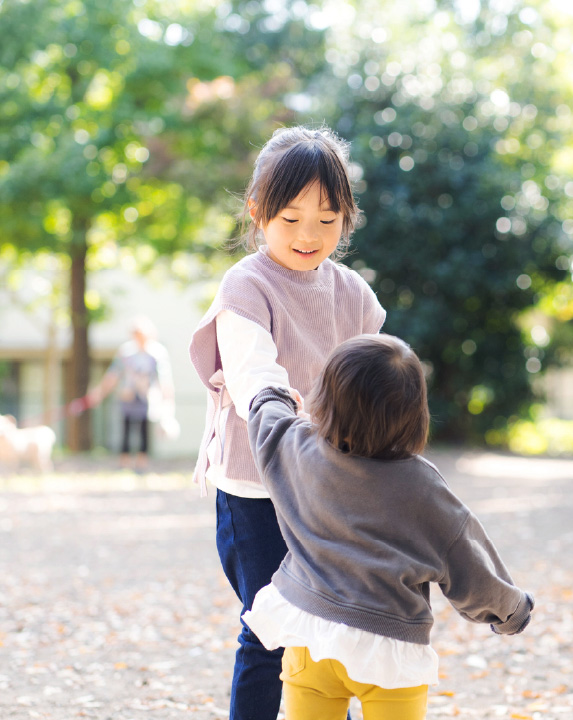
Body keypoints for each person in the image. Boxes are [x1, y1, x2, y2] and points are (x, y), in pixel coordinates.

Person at [188, 125, 386, 720]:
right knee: (268, 625)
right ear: (258, 211)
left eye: (328, 221)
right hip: (258, 485)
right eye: (292, 218)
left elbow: (373, 381)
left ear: (346, 220)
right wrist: (295, 430)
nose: (309, 235)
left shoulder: (352, 292)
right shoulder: (247, 285)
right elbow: (255, 379)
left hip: (333, 485)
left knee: (334, 624)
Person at [242, 334, 533, 720]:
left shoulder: (300, 450)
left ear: (325, 402)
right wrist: (510, 611)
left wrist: (271, 396)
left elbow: (267, 422)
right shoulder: (422, 487)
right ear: (415, 415)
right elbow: (468, 562)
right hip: (388, 652)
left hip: (311, 637)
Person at [86, 316, 176, 471]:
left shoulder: (157, 353)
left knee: (143, 430)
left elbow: (164, 380)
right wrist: (99, 392)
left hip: (147, 398)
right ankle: (124, 461)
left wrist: (167, 403)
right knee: (126, 428)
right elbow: (113, 375)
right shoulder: (126, 352)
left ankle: (142, 462)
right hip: (127, 396)